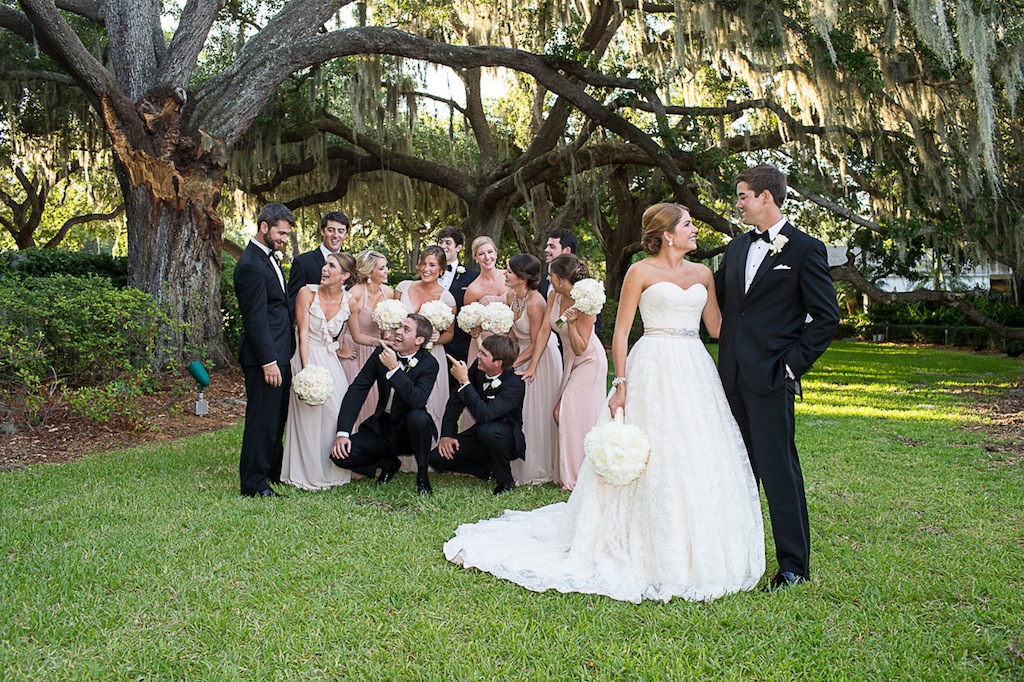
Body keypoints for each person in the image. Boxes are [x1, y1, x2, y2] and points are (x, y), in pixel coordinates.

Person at [442, 203, 766, 603]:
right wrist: (622, 382)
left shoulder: (702, 274)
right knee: (649, 447)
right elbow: (622, 331)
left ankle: (695, 534)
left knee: (694, 447)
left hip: (694, 367)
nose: (694, 230)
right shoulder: (640, 271)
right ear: (667, 234)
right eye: (687, 224)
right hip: (652, 365)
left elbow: (718, 327)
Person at [715, 164, 840, 590]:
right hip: (729, 376)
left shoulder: (806, 249)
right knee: (734, 467)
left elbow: (826, 318)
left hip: (771, 377)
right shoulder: (733, 250)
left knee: (779, 469)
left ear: (766, 197)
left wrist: (790, 364)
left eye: (743, 196)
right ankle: (736, 555)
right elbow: (714, 301)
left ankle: (793, 566)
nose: (738, 203)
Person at [330, 314, 439, 490]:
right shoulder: (381, 353)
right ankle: (387, 464)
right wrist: (343, 433)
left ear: (419, 340)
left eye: (406, 329)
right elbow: (357, 390)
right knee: (340, 455)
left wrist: (394, 369)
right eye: (399, 327)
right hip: (383, 426)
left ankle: (423, 475)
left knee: (418, 417)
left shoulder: (429, 364)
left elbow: (417, 400)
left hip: (410, 431)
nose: (397, 332)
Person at [528, 253, 607, 491]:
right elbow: (544, 331)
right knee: (567, 414)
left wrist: (572, 323)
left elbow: (582, 347)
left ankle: (578, 476)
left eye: (551, 275)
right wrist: (532, 365)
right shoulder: (554, 295)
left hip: (589, 361)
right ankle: (568, 472)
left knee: (563, 412)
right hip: (570, 360)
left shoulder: (584, 301)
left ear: (562, 279)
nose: (547, 278)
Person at [233, 202, 295, 497]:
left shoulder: (270, 259)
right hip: (264, 358)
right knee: (261, 419)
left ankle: (272, 470)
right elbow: (256, 319)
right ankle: (253, 483)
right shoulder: (250, 265)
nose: (284, 239)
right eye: (281, 233)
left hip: (280, 353)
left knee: (276, 417)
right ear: (264, 227)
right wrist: (268, 361)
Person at [281, 253, 354, 491]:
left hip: (329, 356)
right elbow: (302, 332)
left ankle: (333, 468)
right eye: (325, 264)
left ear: (345, 275)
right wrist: (305, 370)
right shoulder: (307, 293)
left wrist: (340, 350)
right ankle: (307, 473)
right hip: (306, 354)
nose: (324, 269)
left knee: (336, 410)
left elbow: (346, 333)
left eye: (331, 266)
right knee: (309, 414)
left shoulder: (349, 301)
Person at [426, 335, 526, 495]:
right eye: (480, 352)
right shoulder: (477, 369)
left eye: (484, 354)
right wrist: (447, 435)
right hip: (480, 434)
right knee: (435, 459)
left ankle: (505, 481)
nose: (478, 356)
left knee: (489, 430)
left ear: (498, 363)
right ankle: (486, 470)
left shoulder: (514, 383)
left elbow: (485, 415)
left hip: (505, 436)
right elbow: (455, 402)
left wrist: (465, 382)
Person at [395, 245, 457, 456]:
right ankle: (400, 451)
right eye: (424, 264)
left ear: (441, 269)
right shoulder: (403, 287)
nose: (426, 268)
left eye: (432, 265)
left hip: (432, 356)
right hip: (403, 353)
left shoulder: (447, 298)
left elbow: (450, 334)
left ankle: (429, 453)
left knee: (430, 402)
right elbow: (395, 321)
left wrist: (438, 339)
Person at [506, 253, 562, 486]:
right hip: (520, 354)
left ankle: (537, 466)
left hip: (540, 357)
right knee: (521, 409)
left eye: (509, 271)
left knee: (534, 410)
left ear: (522, 277)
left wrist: (516, 362)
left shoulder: (535, 302)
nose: (505, 274)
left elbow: (539, 339)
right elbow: (511, 334)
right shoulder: (512, 296)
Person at [338, 250, 396, 432]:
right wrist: (380, 342)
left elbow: (386, 330)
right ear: (369, 273)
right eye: (382, 268)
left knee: (377, 398)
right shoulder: (354, 294)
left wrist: (387, 338)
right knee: (357, 398)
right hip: (354, 349)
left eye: (386, 267)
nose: (387, 271)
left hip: (377, 349)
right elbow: (356, 335)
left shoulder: (388, 293)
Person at [436, 227, 479, 381]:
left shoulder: (472, 277)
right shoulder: (429, 273)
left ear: (459, 247)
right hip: (430, 339)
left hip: (459, 343)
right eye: (440, 242)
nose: (443, 246)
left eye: (448, 242)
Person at [287, 211, 350, 310]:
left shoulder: (350, 263)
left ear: (346, 234)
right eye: (331, 230)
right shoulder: (303, 262)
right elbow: (292, 302)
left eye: (341, 231)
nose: (336, 235)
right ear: (322, 231)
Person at [463, 235, 508, 366]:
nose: (487, 257)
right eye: (481, 254)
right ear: (475, 257)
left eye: (490, 252)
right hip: (486, 344)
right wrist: (473, 329)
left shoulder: (509, 276)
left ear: (496, 252)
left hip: (512, 340)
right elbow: (469, 321)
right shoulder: (473, 289)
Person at [537, 228, 577, 298]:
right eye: (547, 246)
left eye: (552, 247)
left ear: (567, 250)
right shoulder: (544, 278)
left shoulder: (581, 281)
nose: (546, 250)